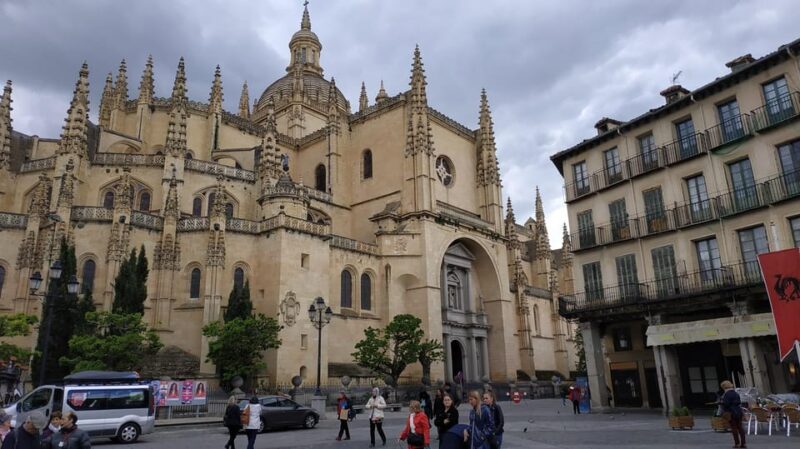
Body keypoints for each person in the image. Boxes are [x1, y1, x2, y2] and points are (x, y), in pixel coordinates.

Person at [720, 380, 746, 448]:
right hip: (738, 411)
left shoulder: (726, 394)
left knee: (734, 428)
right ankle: (743, 443)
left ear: (724, 387)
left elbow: (726, 404)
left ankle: (737, 443)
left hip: (731, 412)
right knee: (740, 427)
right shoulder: (735, 393)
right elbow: (739, 402)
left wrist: (722, 403)